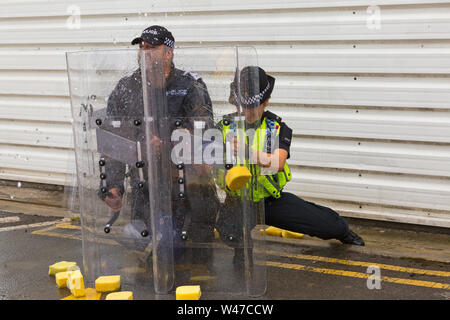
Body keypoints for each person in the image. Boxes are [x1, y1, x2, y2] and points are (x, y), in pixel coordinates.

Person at [215, 66, 365, 250]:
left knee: (327, 224)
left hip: (269, 200)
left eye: (253, 106)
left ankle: (342, 231)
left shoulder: (276, 127)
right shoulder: (223, 127)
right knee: (229, 232)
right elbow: (205, 164)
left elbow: (278, 163)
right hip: (237, 202)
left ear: (266, 102)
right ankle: (242, 261)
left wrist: (249, 153)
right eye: (243, 106)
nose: (247, 111)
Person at [98, 25, 219, 253]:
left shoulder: (190, 86)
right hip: (146, 188)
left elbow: (205, 136)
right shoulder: (126, 88)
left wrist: (169, 144)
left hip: (186, 190)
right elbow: (113, 140)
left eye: (151, 47)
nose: (144, 52)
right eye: (141, 47)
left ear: (168, 53)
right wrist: (112, 186)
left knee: (191, 256)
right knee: (148, 257)